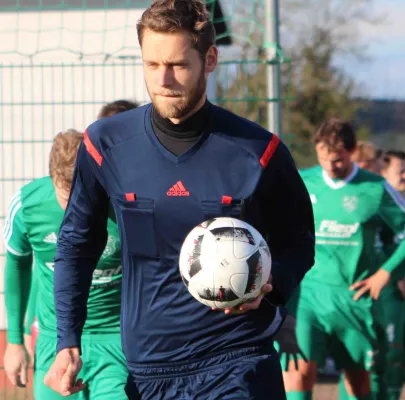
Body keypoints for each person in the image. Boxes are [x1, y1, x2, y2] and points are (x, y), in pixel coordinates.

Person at [43, 0, 315, 398]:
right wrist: (67, 340)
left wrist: (273, 283)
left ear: (210, 59)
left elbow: (299, 242)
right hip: (149, 368)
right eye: (152, 65)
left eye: (178, 65)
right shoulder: (106, 145)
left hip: (237, 357)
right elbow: (76, 245)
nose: (164, 79)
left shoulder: (259, 152)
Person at [281, 118, 405, 400]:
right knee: (298, 371)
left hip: (354, 300)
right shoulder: (304, 181)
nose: (329, 166)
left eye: (336, 160)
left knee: (359, 385)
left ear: (350, 152)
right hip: (309, 297)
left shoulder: (374, 188)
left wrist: (385, 273)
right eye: (323, 159)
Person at [2, 130, 127, 399]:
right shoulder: (27, 206)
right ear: (53, 178)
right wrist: (15, 340)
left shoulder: (123, 205)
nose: (75, 211)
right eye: (66, 200)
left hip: (116, 341)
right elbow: (18, 266)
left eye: (82, 199)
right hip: (55, 343)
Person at [352, 145, 405, 399]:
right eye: (400, 172)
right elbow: (377, 250)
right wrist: (396, 276)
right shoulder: (376, 203)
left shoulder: (400, 205)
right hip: (387, 291)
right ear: (382, 171)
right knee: (382, 355)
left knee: (402, 351)